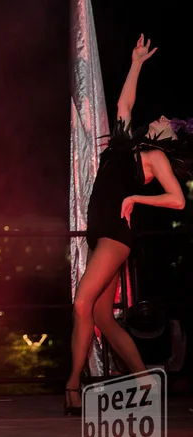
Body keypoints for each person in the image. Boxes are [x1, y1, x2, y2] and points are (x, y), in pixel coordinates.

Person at [65, 34, 191, 414]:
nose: (161, 117)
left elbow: (178, 199)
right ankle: (143, 381)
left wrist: (136, 197)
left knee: (82, 303)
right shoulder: (125, 144)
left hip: (117, 237)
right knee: (102, 314)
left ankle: (73, 386)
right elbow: (125, 103)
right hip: (100, 232)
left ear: (169, 138)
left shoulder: (155, 157)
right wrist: (136, 62)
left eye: (167, 120)